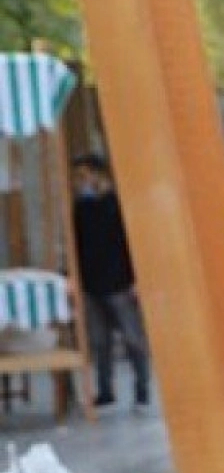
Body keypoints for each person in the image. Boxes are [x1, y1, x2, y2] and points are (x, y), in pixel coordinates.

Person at [70, 153, 150, 411]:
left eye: (83, 176)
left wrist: (137, 279)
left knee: (132, 337)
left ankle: (142, 390)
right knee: (99, 340)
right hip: (91, 283)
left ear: (98, 175)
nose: (79, 182)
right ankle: (105, 390)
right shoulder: (81, 208)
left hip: (119, 281)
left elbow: (132, 243)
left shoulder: (117, 205)